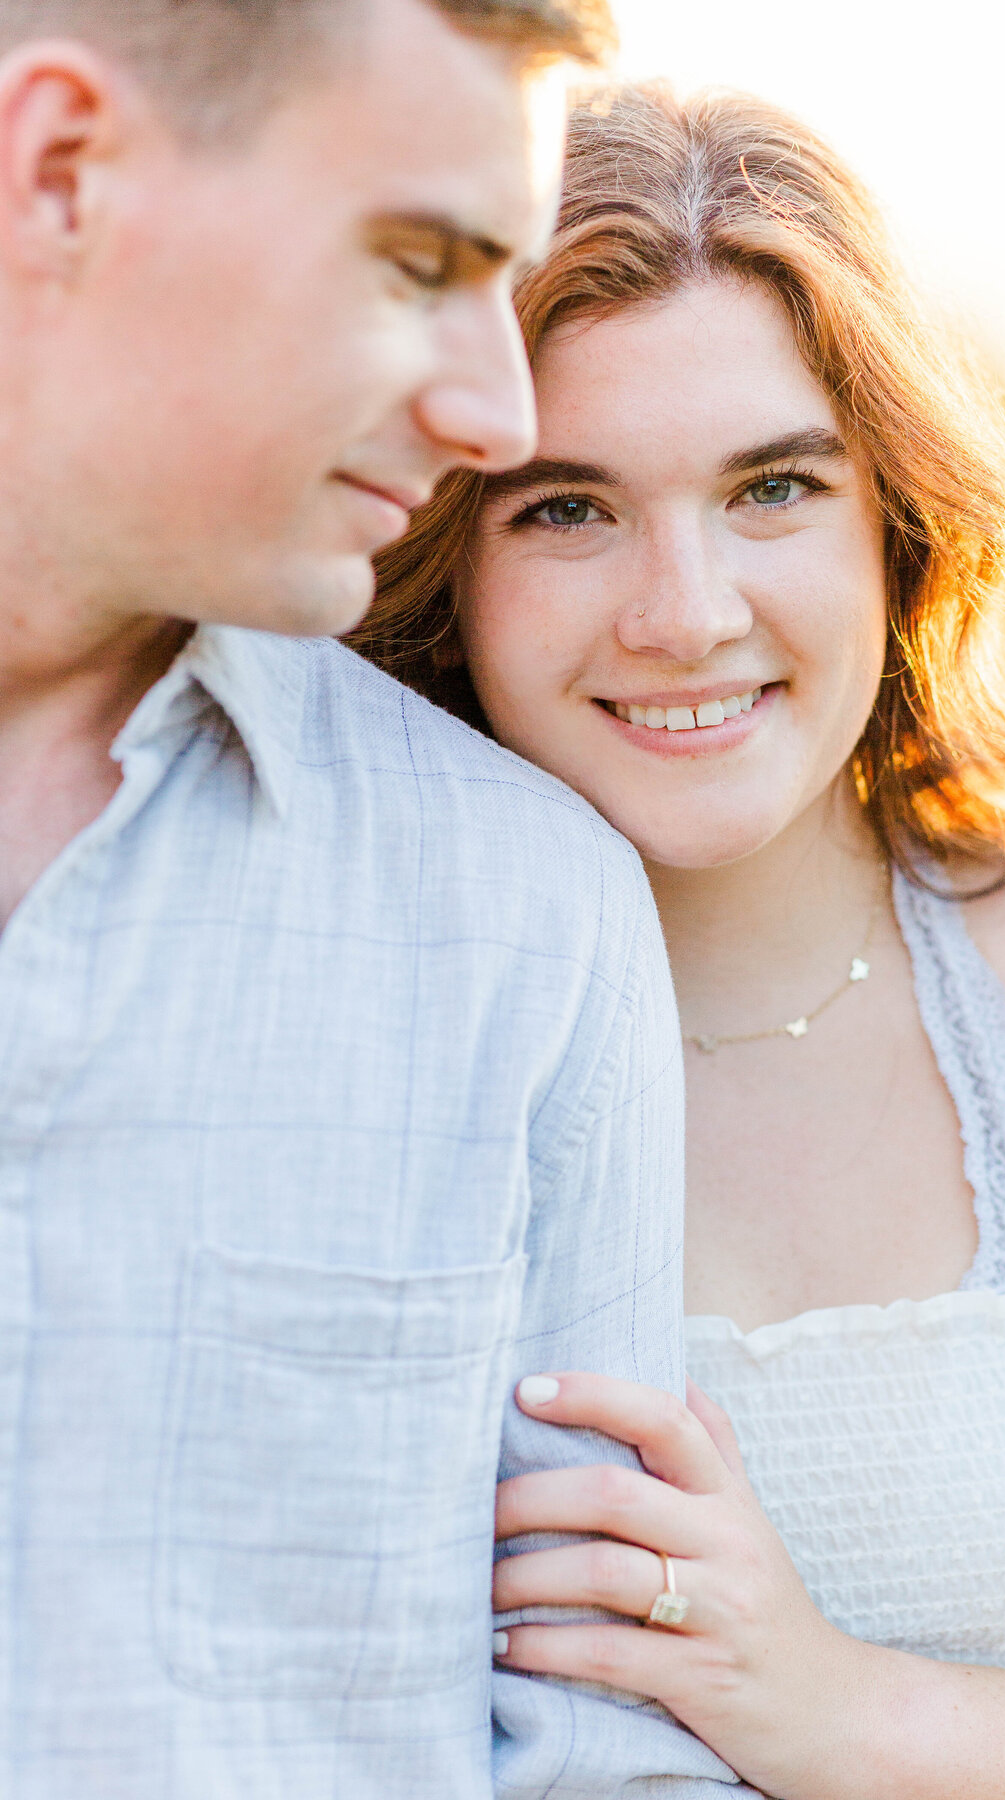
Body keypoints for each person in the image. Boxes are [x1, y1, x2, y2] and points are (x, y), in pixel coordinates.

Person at [361, 83, 1005, 1800]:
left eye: (773, 488)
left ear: (897, 525)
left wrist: (844, 1712)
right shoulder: (341, 1036)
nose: (685, 613)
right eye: (564, 508)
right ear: (445, 560)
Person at [0, 9, 753, 1796]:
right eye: (419, 260)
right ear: (60, 169)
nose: (494, 414)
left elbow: (601, 1755)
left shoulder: (523, 909)